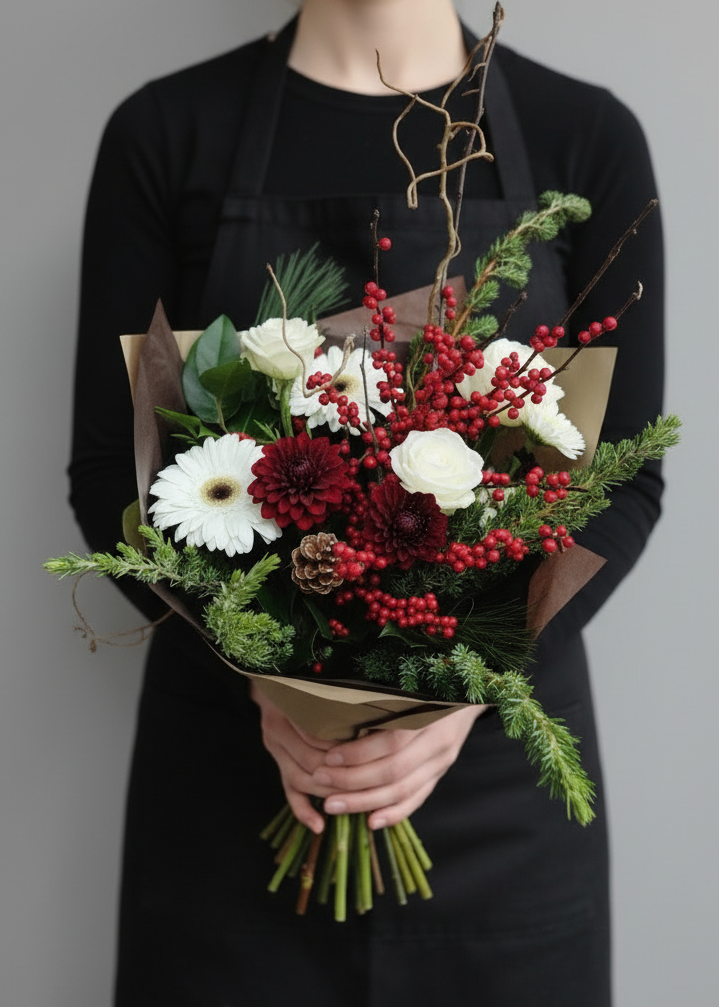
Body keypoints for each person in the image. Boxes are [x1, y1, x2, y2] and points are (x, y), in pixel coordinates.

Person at [69, 1, 664, 1004]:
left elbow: (623, 476)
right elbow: (107, 471)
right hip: (233, 791)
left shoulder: (586, 135)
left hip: (500, 804)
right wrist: (268, 685)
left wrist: (466, 688)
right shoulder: (166, 134)